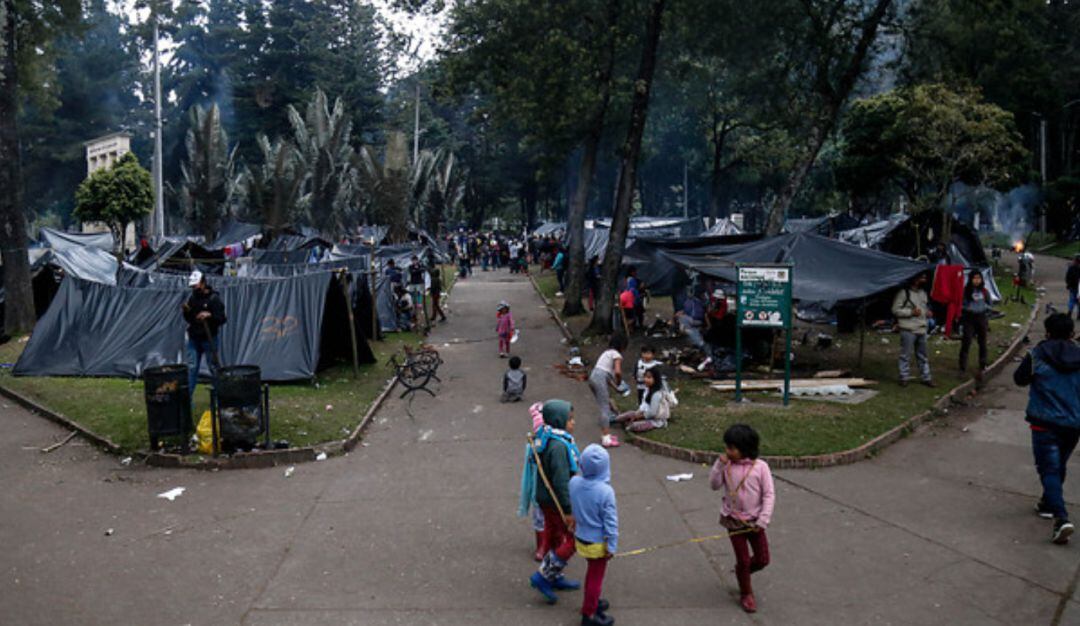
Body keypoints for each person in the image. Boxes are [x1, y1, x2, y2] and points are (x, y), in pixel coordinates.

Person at [1014, 313, 1080, 545]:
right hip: (1073, 424)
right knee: (1058, 464)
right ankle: (1046, 502)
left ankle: (1061, 518)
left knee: (1049, 469)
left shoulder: (1037, 354)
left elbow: (1019, 379)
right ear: (1071, 333)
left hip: (1044, 422)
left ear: (1048, 331)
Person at [709, 424, 775, 613]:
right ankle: (746, 592)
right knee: (744, 560)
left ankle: (741, 572)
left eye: (732, 448)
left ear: (745, 448)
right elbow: (713, 485)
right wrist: (718, 465)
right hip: (733, 520)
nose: (727, 451)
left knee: (762, 559)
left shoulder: (761, 467)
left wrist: (763, 519)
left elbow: (769, 495)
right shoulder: (726, 465)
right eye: (727, 447)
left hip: (755, 522)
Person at [523, 400, 582, 604]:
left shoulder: (548, 437)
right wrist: (568, 509)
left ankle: (554, 575)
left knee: (556, 538)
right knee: (572, 540)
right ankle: (543, 577)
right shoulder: (558, 447)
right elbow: (560, 481)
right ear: (559, 421)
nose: (573, 423)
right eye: (570, 419)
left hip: (547, 500)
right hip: (556, 502)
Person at [569, 444, 618, 626]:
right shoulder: (606, 492)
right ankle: (588, 614)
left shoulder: (573, 483)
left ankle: (593, 602)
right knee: (594, 579)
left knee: (591, 574)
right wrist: (611, 546)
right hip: (598, 544)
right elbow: (611, 523)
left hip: (581, 537)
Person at [181, 271, 226, 401]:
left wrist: (209, 315)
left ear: (203, 283)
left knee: (213, 368)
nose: (194, 288)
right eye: (192, 286)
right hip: (194, 338)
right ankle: (186, 401)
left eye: (195, 286)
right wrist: (186, 312)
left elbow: (222, 318)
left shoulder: (214, 299)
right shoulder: (192, 298)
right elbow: (190, 319)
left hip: (209, 338)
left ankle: (219, 400)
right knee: (192, 368)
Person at [892, 273, 934, 387]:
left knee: (923, 355)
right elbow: (895, 310)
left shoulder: (923, 293)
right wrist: (910, 312)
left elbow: (924, 308)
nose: (924, 280)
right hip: (908, 328)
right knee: (905, 354)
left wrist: (927, 313)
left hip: (922, 328)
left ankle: (926, 377)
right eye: (922, 277)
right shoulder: (903, 293)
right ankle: (904, 377)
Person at [588, 334, 628, 448]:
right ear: (622, 346)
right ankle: (606, 438)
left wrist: (616, 388)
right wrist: (619, 381)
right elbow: (618, 372)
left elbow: (607, 378)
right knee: (604, 407)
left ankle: (607, 432)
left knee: (604, 403)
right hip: (600, 378)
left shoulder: (606, 353)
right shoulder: (617, 355)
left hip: (593, 377)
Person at [613, 367, 670, 433]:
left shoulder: (656, 394)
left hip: (655, 421)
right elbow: (644, 406)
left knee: (634, 426)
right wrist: (637, 414)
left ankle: (629, 426)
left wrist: (639, 417)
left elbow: (652, 413)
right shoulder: (647, 390)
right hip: (644, 415)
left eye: (649, 378)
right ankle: (614, 419)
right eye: (645, 377)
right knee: (629, 413)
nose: (646, 379)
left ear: (656, 379)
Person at [958, 270, 991, 378]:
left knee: (982, 342)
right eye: (974, 278)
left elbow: (989, 304)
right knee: (966, 341)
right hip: (969, 318)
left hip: (981, 318)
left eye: (978, 278)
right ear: (971, 279)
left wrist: (984, 308)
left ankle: (983, 364)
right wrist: (969, 309)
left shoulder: (984, 291)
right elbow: (961, 305)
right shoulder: (966, 291)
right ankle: (962, 367)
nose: (976, 281)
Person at [1066, 254, 1080, 320]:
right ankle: (1079, 314)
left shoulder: (1071, 268)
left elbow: (1067, 277)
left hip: (1072, 286)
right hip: (1078, 287)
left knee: (1072, 300)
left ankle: (1070, 312)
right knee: (1078, 301)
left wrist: (1068, 284)